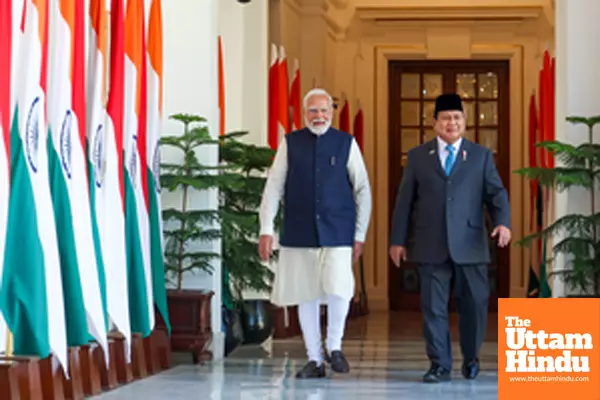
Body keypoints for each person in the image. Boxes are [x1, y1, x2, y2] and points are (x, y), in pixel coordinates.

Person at [389, 93, 511, 383]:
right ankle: (439, 365)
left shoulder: (480, 156)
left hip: (470, 244)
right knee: (433, 309)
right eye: (445, 118)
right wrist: (397, 240)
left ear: (465, 123)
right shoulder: (418, 157)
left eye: (457, 118)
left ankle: (471, 358)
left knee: (475, 307)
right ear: (434, 124)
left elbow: (497, 194)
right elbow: (404, 201)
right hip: (430, 243)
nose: (451, 123)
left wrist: (503, 223)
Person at [258, 88, 372, 379]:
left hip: (338, 231)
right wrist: (266, 229)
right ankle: (314, 359)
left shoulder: (346, 143)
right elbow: (274, 186)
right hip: (299, 231)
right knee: (305, 293)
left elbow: (362, 189)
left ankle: (335, 347)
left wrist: (359, 233)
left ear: (331, 113)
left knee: (339, 290)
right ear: (303, 113)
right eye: (313, 110)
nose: (319, 115)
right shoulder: (291, 143)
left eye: (324, 110)